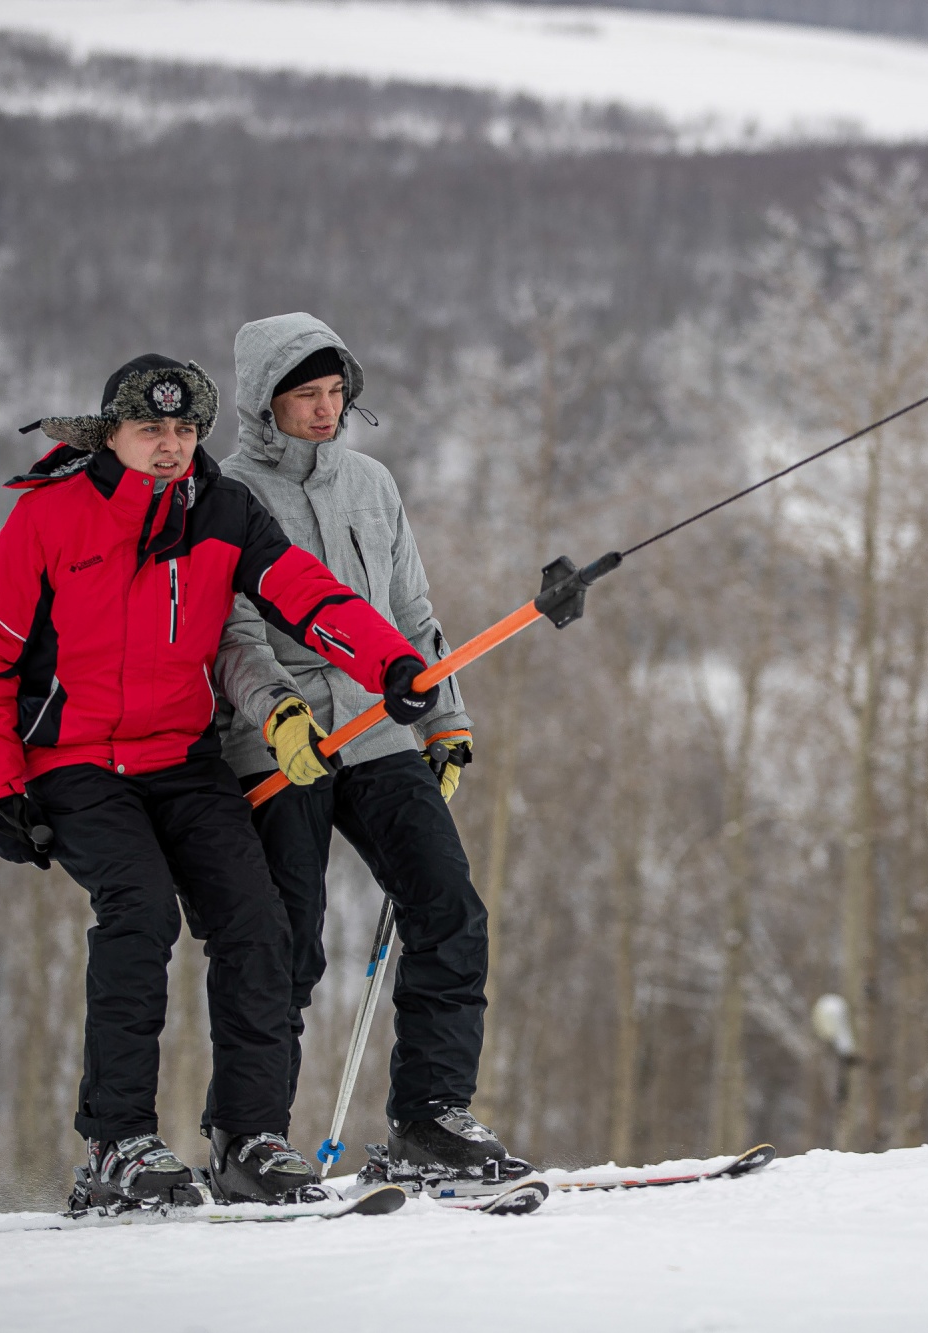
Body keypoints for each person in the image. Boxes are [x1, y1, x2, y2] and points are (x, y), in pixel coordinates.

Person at [0, 353, 438, 1209]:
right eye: (151, 430)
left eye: (183, 430)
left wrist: (392, 662)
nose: (170, 446)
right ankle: (116, 1144)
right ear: (111, 434)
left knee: (260, 921)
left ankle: (250, 1140)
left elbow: (308, 596)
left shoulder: (222, 511)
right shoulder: (47, 522)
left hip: (180, 758)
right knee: (140, 909)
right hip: (75, 763)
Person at [211, 313, 523, 1178]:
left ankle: (430, 1117)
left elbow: (411, 612)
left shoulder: (372, 485)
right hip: (283, 744)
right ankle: (250, 1138)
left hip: (380, 730)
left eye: (335, 392)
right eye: (304, 394)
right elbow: (232, 630)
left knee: (449, 908)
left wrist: (443, 719)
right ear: (262, 402)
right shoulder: (225, 495)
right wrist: (277, 714)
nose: (324, 409)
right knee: (286, 942)